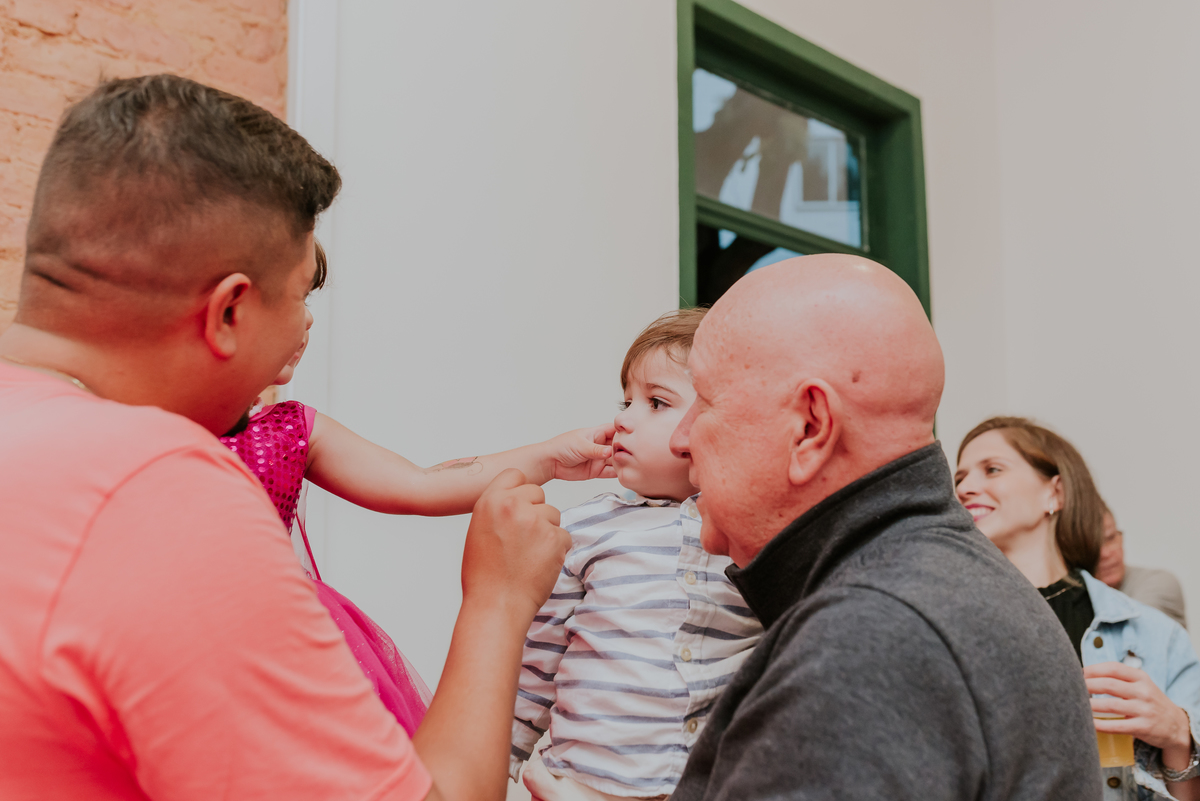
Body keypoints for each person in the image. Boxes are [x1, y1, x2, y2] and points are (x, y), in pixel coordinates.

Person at [0, 74, 569, 801]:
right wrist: (500, 598)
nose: (302, 325)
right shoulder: (158, 489)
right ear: (230, 311)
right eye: (300, 294)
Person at [667, 254, 1102, 801]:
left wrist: (518, 606)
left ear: (810, 427)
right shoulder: (942, 582)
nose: (679, 440)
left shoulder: (868, 639)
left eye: (704, 401)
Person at [220, 243, 614, 735]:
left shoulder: (292, 427)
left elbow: (420, 483)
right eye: (300, 298)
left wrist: (550, 458)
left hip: (286, 641)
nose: (311, 321)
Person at [509, 309, 762, 801]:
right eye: (626, 401)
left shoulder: (750, 534)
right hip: (583, 783)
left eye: (656, 402)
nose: (623, 419)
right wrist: (500, 762)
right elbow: (536, 663)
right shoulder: (584, 529)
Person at [956, 417, 1200, 800]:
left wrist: (1177, 738)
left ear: (1055, 492)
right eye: (959, 479)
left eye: (992, 469)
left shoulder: (1155, 636)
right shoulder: (948, 624)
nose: (966, 488)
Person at [1097, 502, 1188, 629]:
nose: (1105, 553)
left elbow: (1135, 633)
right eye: (1093, 546)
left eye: (1111, 537)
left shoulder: (1160, 583)